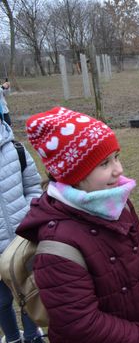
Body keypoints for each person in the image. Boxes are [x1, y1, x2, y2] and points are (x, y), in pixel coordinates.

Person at [16, 107, 139, 343]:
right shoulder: (57, 245)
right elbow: (80, 324)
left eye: (116, 157)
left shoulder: (120, 205)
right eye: (104, 164)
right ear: (74, 175)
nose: (118, 169)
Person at [0, 105, 44, 343]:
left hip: (21, 242)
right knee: (2, 301)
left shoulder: (15, 149)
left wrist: (27, 217)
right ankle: (12, 338)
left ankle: (32, 337)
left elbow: (33, 186)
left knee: (29, 291)